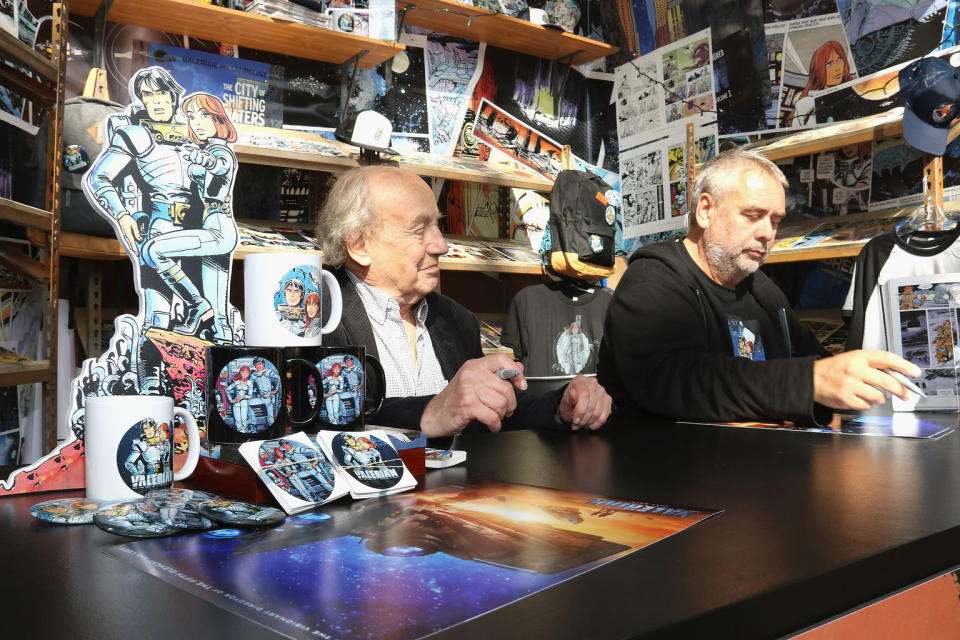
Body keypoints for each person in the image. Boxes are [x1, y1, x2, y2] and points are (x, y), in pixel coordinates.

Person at [597, 148, 922, 426]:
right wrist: (809, 383)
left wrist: (843, 386)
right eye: (752, 215)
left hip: (759, 477)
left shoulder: (760, 289)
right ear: (706, 210)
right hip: (661, 488)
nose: (768, 232)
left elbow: (811, 358)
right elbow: (676, 379)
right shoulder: (652, 281)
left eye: (775, 220)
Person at [315, 166, 612, 439]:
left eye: (438, 226)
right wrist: (431, 414)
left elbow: (494, 414)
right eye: (419, 230)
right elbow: (312, 422)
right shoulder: (314, 320)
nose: (441, 245)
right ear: (359, 245)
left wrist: (560, 405)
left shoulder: (456, 320)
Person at [786, 41, 852, 128]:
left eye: (840, 59)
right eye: (829, 64)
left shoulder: (852, 92)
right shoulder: (804, 104)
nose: (837, 67)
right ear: (818, 70)